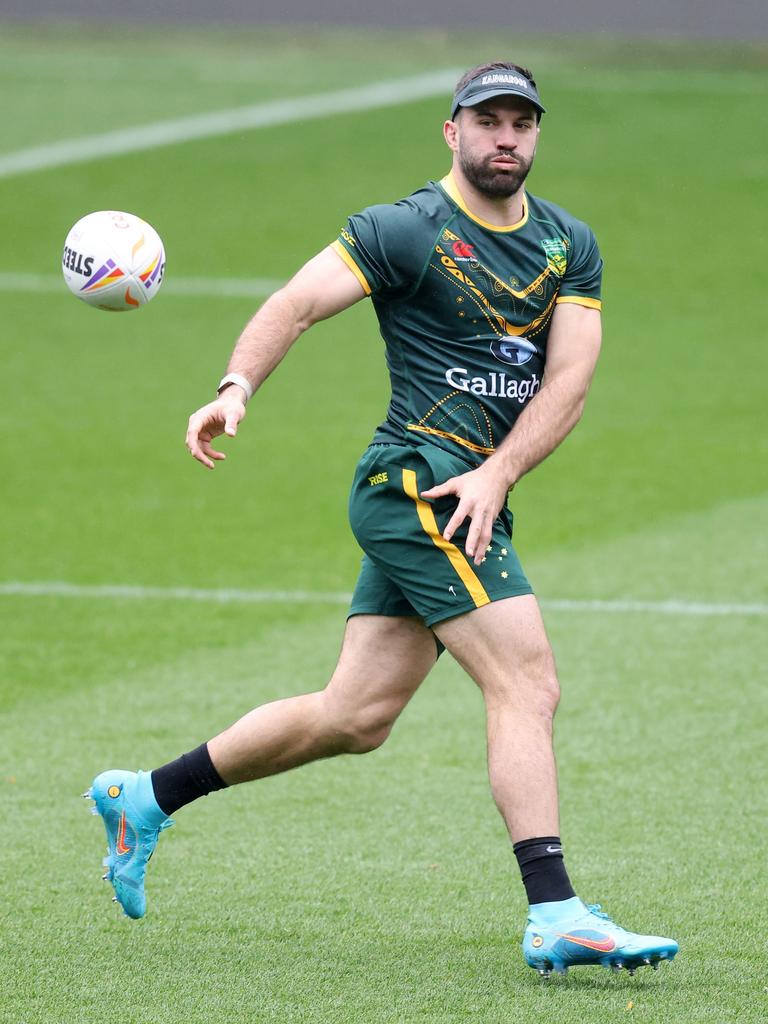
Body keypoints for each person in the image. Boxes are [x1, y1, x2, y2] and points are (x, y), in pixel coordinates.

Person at [86, 61, 678, 977]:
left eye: (522, 122)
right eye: (488, 121)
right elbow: (295, 303)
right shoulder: (407, 230)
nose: (506, 137)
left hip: (473, 490)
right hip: (415, 484)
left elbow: (570, 380)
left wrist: (500, 471)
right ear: (453, 132)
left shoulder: (568, 243)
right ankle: (555, 911)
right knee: (528, 684)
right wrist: (235, 386)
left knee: (354, 715)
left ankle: (146, 797)